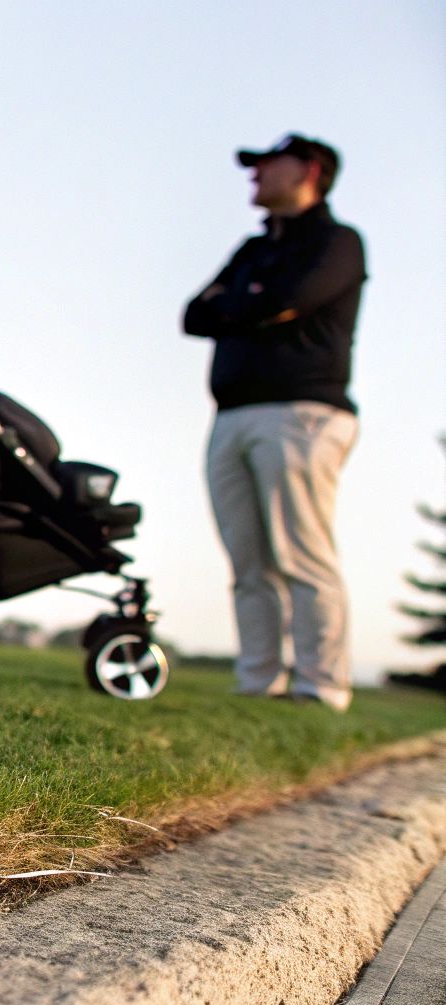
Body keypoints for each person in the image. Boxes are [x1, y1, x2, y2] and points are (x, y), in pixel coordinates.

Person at [183, 133, 366, 711]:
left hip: (302, 415)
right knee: (249, 562)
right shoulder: (251, 249)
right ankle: (259, 681)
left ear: (309, 170)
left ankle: (322, 686)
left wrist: (241, 305)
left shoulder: (338, 242)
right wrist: (256, 300)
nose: (254, 175)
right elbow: (194, 314)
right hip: (231, 416)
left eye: (266, 165)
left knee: (302, 555)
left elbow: (293, 298)